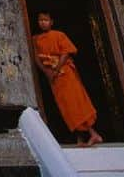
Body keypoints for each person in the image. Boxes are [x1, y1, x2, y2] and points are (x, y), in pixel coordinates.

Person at [32, 11, 103, 146]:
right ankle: (80, 138)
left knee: (75, 103)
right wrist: (47, 72)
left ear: (51, 22)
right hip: (53, 76)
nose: (43, 22)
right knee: (65, 107)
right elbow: (36, 58)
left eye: (46, 20)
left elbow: (66, 52)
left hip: (65, 73)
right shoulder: (35, 39)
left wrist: (57, 68)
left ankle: (93, 134)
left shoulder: (59, 35)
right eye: (40, 20)